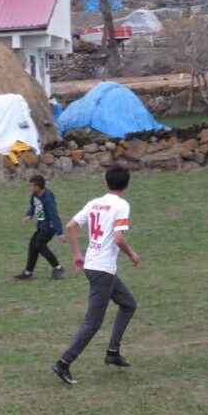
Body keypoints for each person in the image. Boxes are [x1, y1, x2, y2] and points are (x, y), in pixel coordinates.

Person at [52, 165, 140, 385]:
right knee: (93, 322)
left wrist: (76, 255)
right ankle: (64, 363)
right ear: (127, 184)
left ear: (106, 182)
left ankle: (113, 351)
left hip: (93, 265)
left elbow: (71, 226)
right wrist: (132, 255)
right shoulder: (121, 205)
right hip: (102, 269)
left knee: (128, 304)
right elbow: (119, 239)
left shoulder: (94, 203)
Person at [14, 175, 66, 280]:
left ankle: (58, 267)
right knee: (33, 244)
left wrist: (60, 233)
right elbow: (34, 207)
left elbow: (54, 215)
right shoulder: (35, 196)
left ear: (37, 187)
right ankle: (28, 272)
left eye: (31, 186)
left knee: (39, 244)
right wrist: (29, 214)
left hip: (49, 227)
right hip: (41, 226)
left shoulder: (47, 199)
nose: (30, 188)